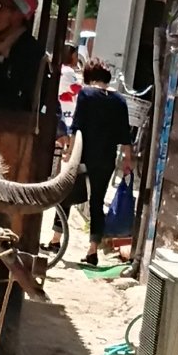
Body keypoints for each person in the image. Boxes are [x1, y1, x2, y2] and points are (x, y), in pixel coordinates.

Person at [42, 58, 133, 267]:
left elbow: (76, 126)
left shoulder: (86, 94)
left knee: (65, 195)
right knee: (97, 202)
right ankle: (93, 250)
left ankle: (56, 241)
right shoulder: (120, 100)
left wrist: (69, 152)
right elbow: (125, 135)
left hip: (83, 157)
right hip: (106, 158)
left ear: (88, 76)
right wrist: (128, 159)